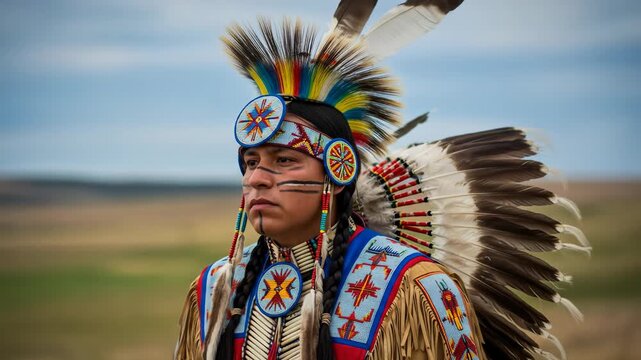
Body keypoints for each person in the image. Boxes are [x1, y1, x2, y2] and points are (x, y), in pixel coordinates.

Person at [175, 2, 588, 360]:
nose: (258, 179)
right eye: (250, 162)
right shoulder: (213, 292)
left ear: (337, 173)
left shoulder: (412, 293)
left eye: (284, 160)